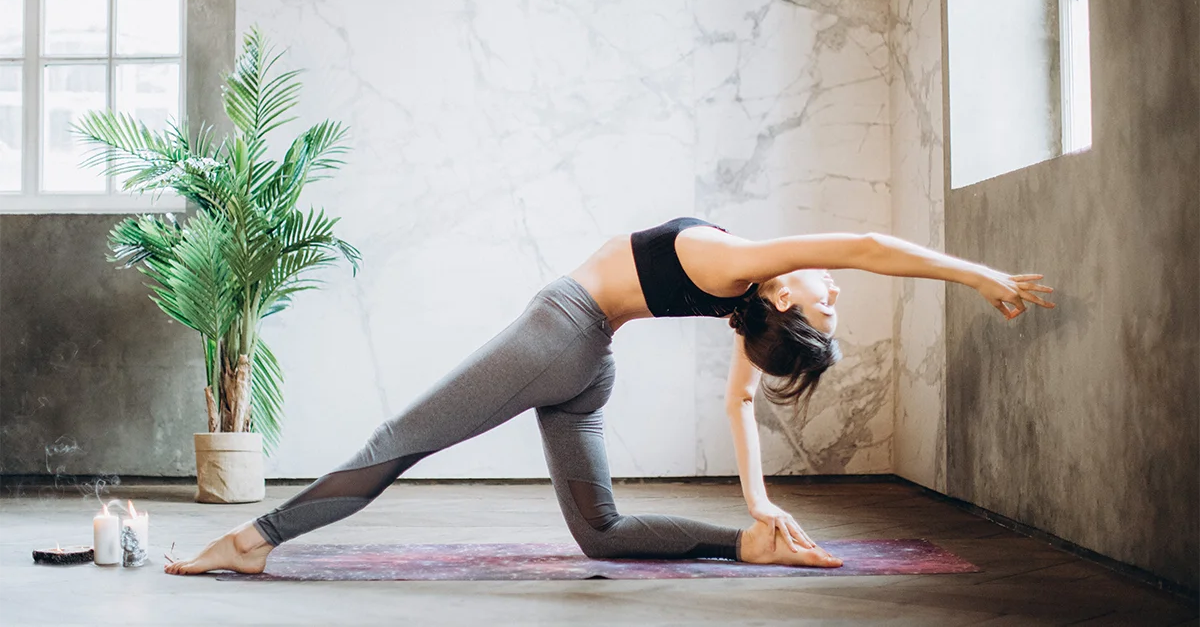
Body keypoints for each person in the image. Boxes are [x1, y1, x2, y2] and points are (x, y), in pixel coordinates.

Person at [165, 217, 1054, 575]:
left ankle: (253, 540)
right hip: (587, 360)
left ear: (785, 296)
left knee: (402, 439)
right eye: (832, 301)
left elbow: (859, 244)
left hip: (563, 333)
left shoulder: (752, 279)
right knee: (601, 534)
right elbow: (743, 402)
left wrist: (975, 275)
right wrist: (759, 506)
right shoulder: (746, 291)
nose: (834, 289)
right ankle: (748, 549)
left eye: (825, 301)